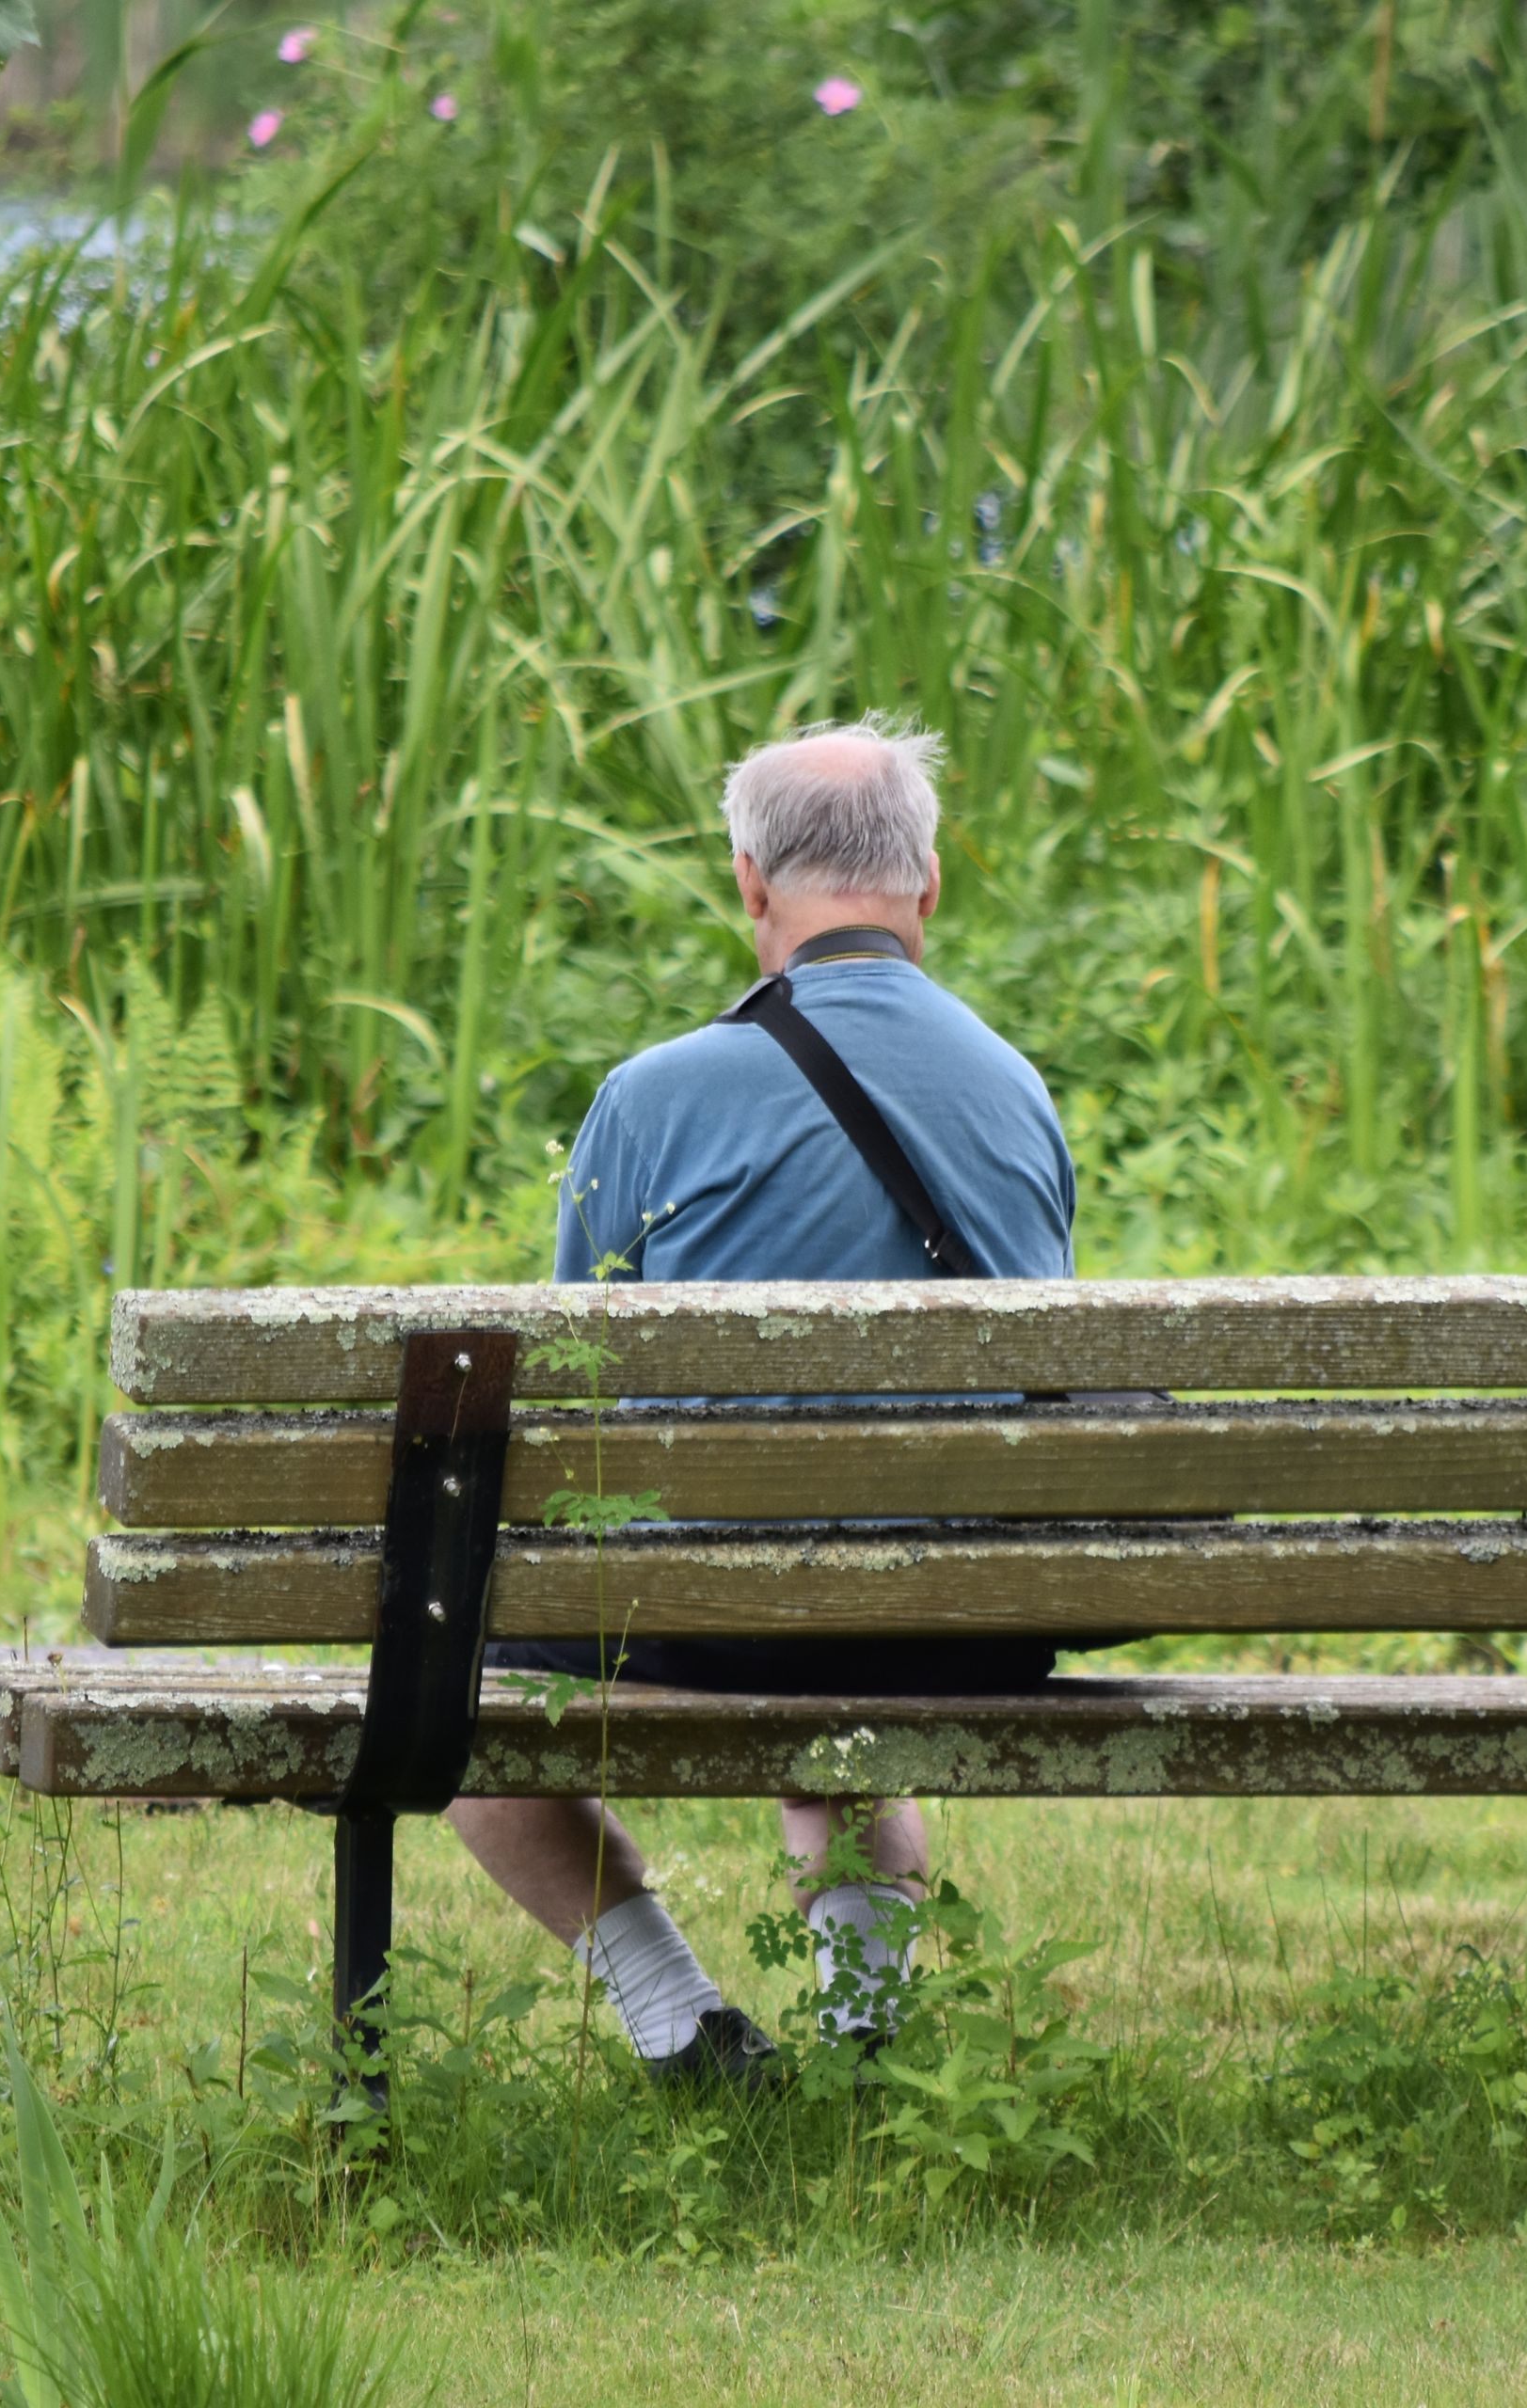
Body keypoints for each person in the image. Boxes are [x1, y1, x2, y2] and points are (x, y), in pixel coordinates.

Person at [446, 717, 1078, 2086]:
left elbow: (574, 1404)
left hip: (715, 1618)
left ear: (750, 886)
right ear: (927, 887)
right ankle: (864, 2051)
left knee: (460, 1703)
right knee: (847, 1676)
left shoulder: (653, 1098)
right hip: (966, 1625)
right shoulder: (1019, 1097)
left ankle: (684, 2027)